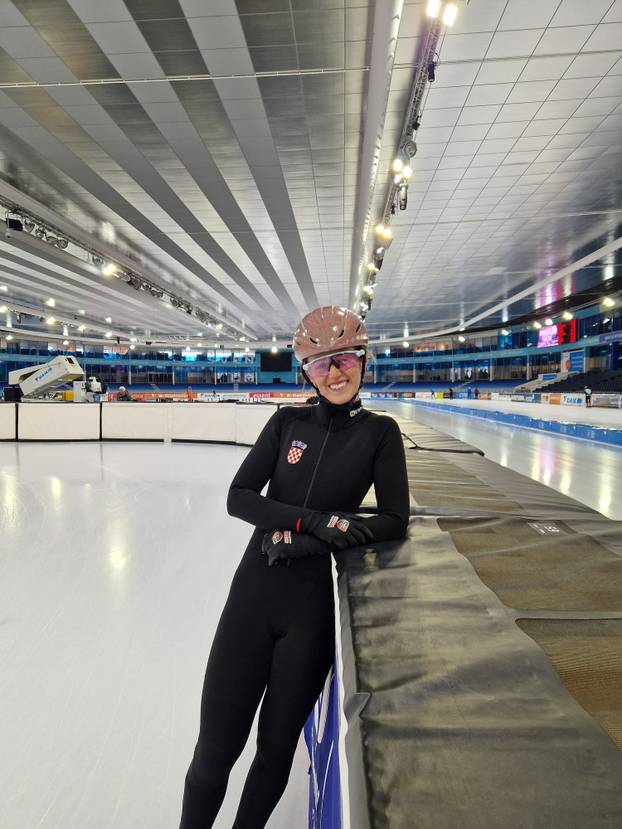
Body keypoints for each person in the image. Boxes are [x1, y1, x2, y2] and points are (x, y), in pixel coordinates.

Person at [180, 306, 410, 829]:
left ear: (364, 359)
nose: (336, 371)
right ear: (305, 370)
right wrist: (316, 523)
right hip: (252, 600)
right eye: (322, 362)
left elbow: (396, 519)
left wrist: (311, 539)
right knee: (214, 751)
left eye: (346, 357)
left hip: (309, 614)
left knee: (275, 751)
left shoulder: (381, 433)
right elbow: (240, 498)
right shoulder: (287, 422)